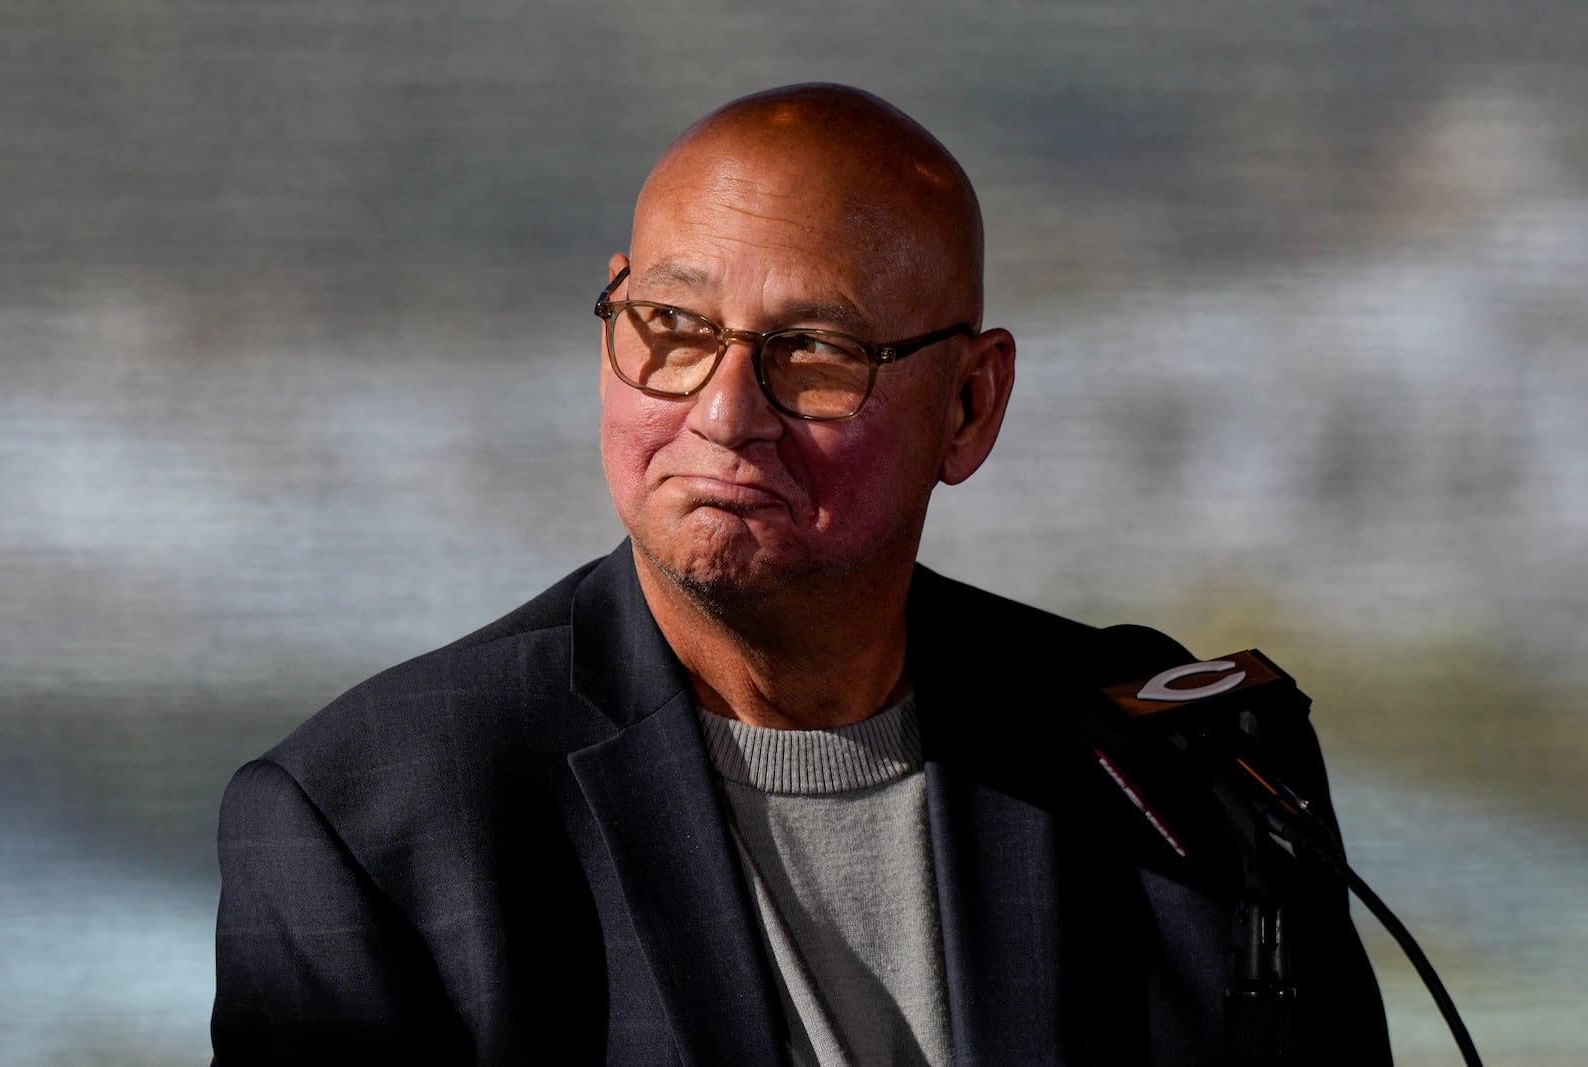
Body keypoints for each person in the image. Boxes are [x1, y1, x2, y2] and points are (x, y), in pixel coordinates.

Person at [211, 83, 1391, 1065]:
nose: (724, 412)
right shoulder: (373, 821)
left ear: (970, 405)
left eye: (816, 352)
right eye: (669, 325)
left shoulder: (1181, 768)